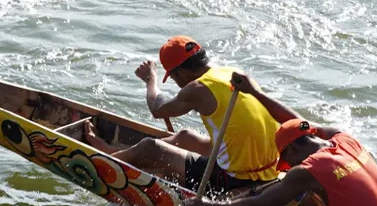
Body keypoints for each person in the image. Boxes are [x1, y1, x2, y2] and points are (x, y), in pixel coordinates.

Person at [193, 78, 377, 206]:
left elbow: (259, 204)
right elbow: (298, 123)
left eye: (287, 162)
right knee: (310, 198)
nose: (290, 167)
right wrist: (256, 93)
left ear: (291, 149)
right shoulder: (344, 139)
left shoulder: (307, 170)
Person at [82, 36, 282, 194]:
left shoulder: (199, 88)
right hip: (271, 168)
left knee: (150, 148)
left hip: (237, 178)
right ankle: (122, 155)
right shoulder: (233, 72)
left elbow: (158, 108)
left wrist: (151, 79)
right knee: (186, 137)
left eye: (173, 78)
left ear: (181, 74)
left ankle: (107, 159)